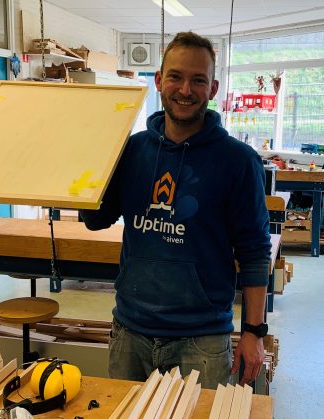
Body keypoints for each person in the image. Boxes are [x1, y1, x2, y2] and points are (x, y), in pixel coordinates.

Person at [79, 32, 271, 389]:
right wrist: (79, 175)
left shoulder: (238, 162)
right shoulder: (131, 150)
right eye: (176, 77)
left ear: (212, 89)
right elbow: (97, 219)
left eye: (198, 80)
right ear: (158, 80)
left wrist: (254, 331)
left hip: (201, 339)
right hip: (130, 330)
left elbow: (255, 252)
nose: (185, 90)